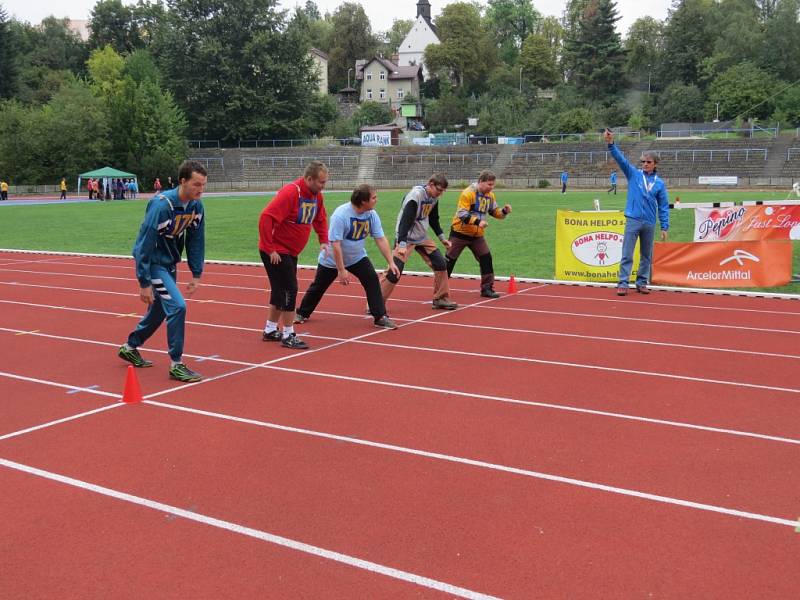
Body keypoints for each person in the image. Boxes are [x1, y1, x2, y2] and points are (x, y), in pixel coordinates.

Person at [117, 160, 208, 382]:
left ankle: (130, 346)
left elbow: (196, 240)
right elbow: (143, 246)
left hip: (169, 264)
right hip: (154, 264)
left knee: (159, 310)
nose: (201, 190)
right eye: (196, 184)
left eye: (204, 185)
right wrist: (144, 282)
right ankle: (176, 364)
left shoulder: (196, 207)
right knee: (177, 306)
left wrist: (196, 273)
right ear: (182, 181)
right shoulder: (162, 206)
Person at [295, 184, 400, 329]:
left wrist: (391, 262)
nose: (377, 200)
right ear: (363, 201)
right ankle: (302, 313)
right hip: (332, 260)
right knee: (318, 287)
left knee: (371, 280)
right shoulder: (341, 215)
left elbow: (380, 238)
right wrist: (341, 270)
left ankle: (380, 316)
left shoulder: (371, 214)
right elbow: (335, 244)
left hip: (357, 257)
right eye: (374, 197)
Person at [258, 160, 330, 349]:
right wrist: (270, 248)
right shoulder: (291, 192)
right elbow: (266, 217)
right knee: (290, 289)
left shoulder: (316, 196)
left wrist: (323, 240)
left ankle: (270, 329)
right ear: (308, 179)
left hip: (290, 251)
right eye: (321, 182)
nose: (324, 186)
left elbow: (320, 218)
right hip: (277, 250)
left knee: (280, 290)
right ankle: (288, 334)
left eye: (325, 182)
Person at [604, 128, 669, 296]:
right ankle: (623, 283)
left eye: (648, 162)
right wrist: (611, 143)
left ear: (655, 164)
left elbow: (663, 206)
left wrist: (664, 226)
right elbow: (621, 160)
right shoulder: (633, 174)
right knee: (627, 253)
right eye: (643, 162)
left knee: (646, 255)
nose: (645, 164)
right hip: (633, 219)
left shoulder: (659, 184)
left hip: (649, 222)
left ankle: (641, 282)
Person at [379, 173, 457, 310]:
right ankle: (376, 303)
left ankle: (440, 298)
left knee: (440, 263)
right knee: (395, 271)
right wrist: (402, 243)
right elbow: (405, 221)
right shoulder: (415, 196)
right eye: (439, 190)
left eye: (442, 191)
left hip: (421, 236)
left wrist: (442, 238)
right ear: (431, 184)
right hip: (405, 236)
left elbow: (434, 219)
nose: (440, 194)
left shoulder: (434, 198)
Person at [445, 170, 512, 298]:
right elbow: (462, 213)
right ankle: (440, 289)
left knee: (486, 258)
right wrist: (477, 222)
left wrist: (504, 211)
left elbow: (494, 212)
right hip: (460, 233)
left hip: (477, 236)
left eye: (493, 185)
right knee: (449, 261)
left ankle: (487, 289)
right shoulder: (467, 193)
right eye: (489, 184)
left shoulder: (490, 196)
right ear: (480, 182)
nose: (491, 187)